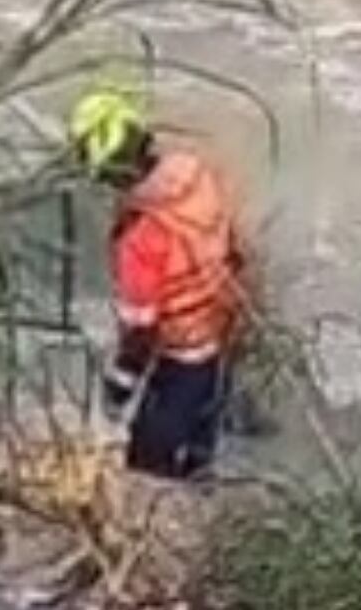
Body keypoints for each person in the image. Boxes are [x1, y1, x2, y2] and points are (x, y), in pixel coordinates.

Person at [70, 77, 246, 480]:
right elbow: (232, 246)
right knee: (201, 456)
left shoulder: (138, 237)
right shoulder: (194, 170)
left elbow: (141, 333)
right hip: (223, 341)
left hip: (183, 360)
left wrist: (118, 390)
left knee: (147, 471)